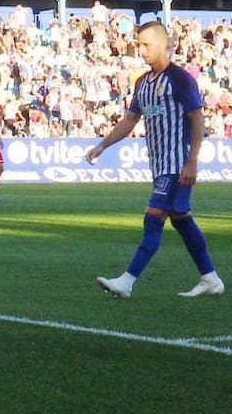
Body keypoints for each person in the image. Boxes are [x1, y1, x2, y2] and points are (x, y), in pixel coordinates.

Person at [87, 20, 224, 299]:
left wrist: (192, 161)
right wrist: (102, 146)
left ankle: (127, 281)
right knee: (181, 219)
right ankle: (210, 278)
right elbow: (129, 121)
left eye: (146, 44)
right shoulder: (143, 83)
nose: (141, 50)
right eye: (139, 44)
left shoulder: (180, 79)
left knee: (153, 217)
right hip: (160, 165)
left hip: (177, 164)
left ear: (163, 44)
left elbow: (197, 118)